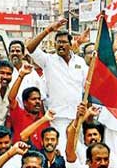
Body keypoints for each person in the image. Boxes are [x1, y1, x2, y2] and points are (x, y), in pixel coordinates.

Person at [26, 19, 86, 152]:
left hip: (77, 118)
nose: (60, 45)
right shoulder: (48, 60)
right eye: (58, 42)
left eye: (64, 42)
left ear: (71, 44)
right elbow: (30, 48)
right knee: (62, 153)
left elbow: (87, 87)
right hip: (58, 117)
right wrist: (48, 30)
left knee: (77, 154)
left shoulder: (80, 62)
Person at [8, 64, 53, 149]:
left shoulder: (45, 120)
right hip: (20, 156)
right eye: (33, 99)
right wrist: (21, 75)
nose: (37, 102)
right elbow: (11, 98)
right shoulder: (18, 114)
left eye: (39, 99)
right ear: (25, 102)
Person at [8, 40, 46, 109]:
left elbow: (41, 96)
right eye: (12, 51)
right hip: (11, 114)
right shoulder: (6, 73)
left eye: (18, 51)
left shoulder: (31, 72)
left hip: (29, 114)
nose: (15, 53)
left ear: (23, 55)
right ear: (9, 54)